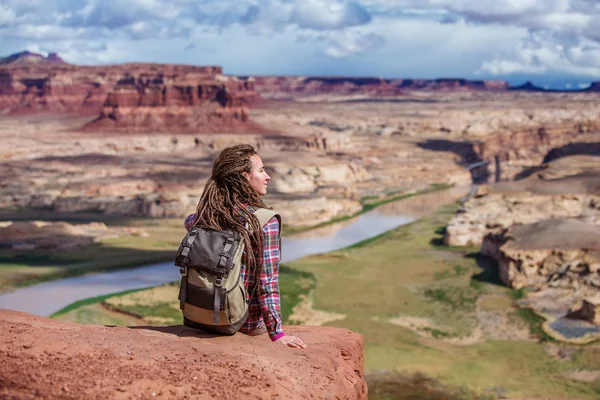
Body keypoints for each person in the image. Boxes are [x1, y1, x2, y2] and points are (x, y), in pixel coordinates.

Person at [184, 144, 307, 349]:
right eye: (261, 170)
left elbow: (189, 221)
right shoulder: (265, 222)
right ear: (244, 177)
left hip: (203, 317)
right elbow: (267, 282)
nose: (267, 176)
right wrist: (277, 333)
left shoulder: (210, 214)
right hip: (245, 323)